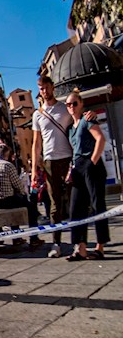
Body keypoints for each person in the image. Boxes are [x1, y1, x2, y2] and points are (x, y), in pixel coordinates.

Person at [63, 89, 110, 261]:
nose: (72, 107)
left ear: (81, 104)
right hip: (77, 167)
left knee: (98, 205)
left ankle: (100, 247)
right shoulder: (70, 129)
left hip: (92, 165)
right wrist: (71, 170)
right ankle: (80, 247)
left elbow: (100, 139)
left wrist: (93, 161)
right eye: (68, 104)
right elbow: (74, 151)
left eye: (75, 103)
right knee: (76, 208)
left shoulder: (87, 120)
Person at [31, 74, 74, 258]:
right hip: (49, 162)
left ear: (52, 87)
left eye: (46, 87)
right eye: (41, 89)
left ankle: (78, 242)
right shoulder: (37, 114)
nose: (44, 91)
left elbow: (77, 125)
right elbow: (36, 143)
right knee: (54, 204)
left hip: (68, 158)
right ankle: (56, 243)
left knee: (74, 200)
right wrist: (34, 169)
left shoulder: (64, 108)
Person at [0, 143, 42, 249]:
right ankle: (34, 238)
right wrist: (24, 194)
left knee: (15, 200)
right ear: (6, 154)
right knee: (31, 208)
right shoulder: (8, 165)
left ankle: (17, 238)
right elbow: (18, 185)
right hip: (8, 199)